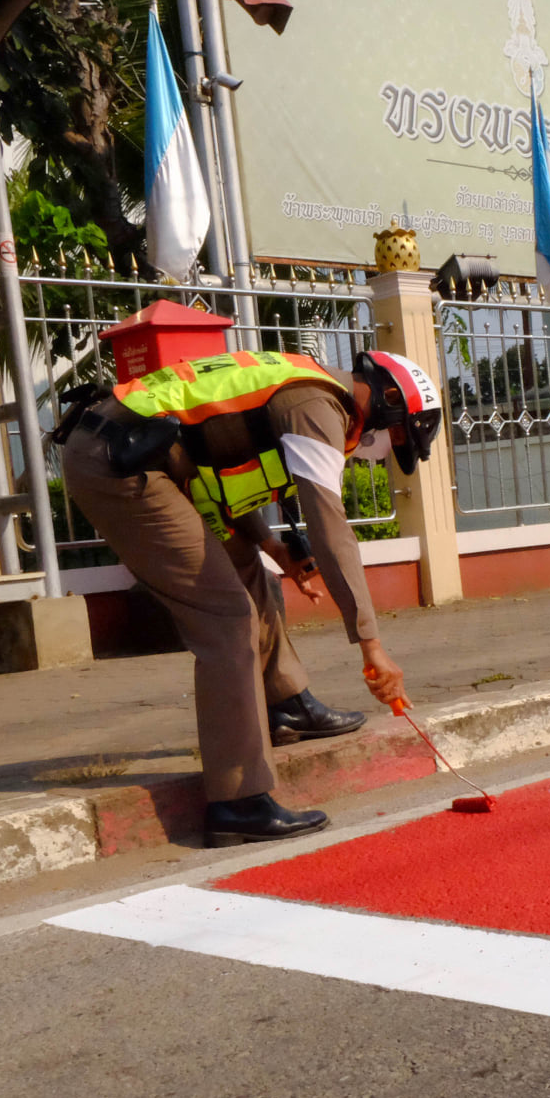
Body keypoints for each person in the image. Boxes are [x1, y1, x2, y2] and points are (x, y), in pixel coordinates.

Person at [57, 349, 442, 846]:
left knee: (247, 569)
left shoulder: (307, 391)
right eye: (397, 437)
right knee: (226, 618)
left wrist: (271, 546)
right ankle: (237, 800)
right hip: (119, 460)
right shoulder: (318, 404)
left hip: (153, 453)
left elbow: (217, 463)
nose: (387, 450)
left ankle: (288, 704)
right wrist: (371, 644)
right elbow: (330, 527)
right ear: (389, 399)